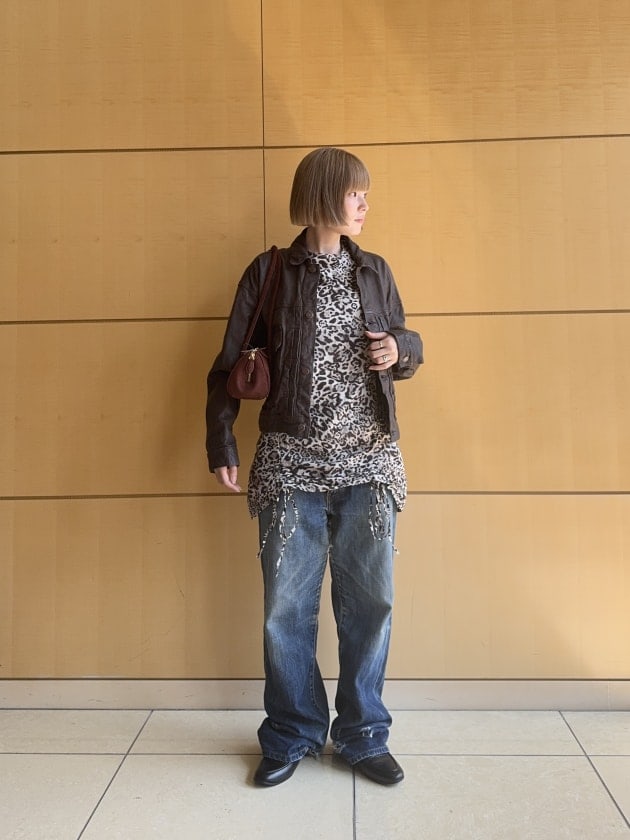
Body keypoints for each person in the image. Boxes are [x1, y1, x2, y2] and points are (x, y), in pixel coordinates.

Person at [205, 147, 423, 787]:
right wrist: (222, 442)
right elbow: (229, 364)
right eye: (356, 193)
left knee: (370, 606)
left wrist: (399, 348)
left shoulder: (375, 271)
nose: (365, 204)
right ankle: (292, 732)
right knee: (286, 611)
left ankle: (362, 735)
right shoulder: (270, 271)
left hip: (369, 464)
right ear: (325, 195)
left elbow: (407, 344)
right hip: (289, 466)